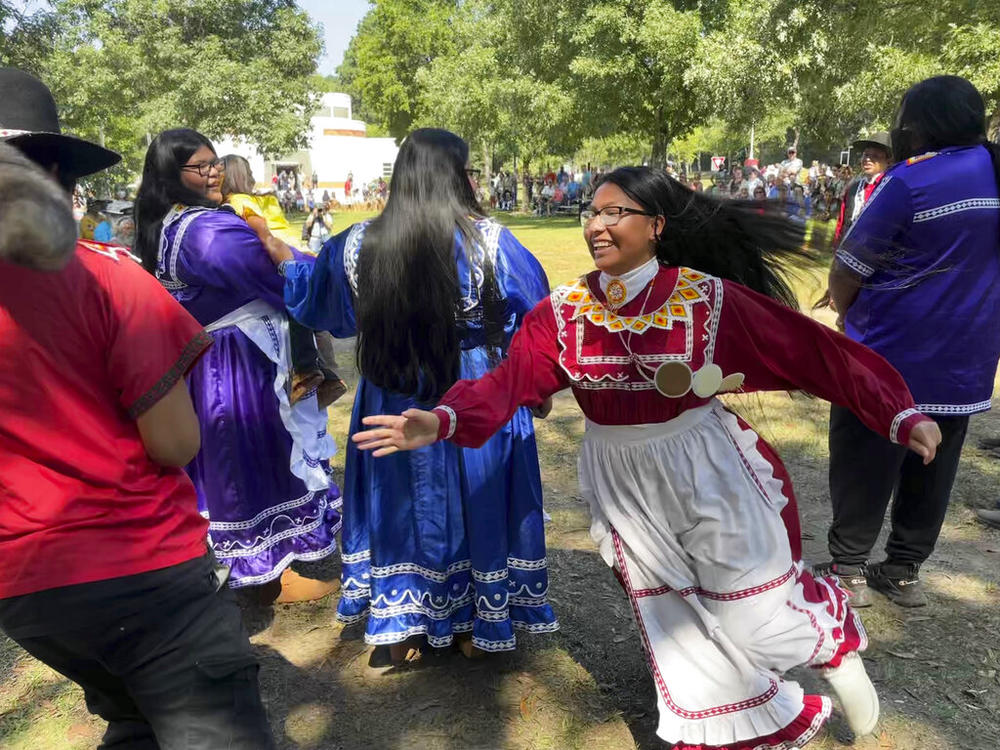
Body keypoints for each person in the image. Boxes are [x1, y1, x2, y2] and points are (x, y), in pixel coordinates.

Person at [353, 165, 943, 748]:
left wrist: (896, 411)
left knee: (752, 608)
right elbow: (510, 382)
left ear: (657, 225)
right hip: (619, 476)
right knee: (673, 618)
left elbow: (811, 349)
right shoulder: (563, 312)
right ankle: (724, 726)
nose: (597, 226)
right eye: (593, 213)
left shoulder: (706, 298)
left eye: (616, 213)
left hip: (705, 464)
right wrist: (442, 419)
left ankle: (831, 644)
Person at [0, 70, 275, 748]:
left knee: (136, 721)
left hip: (24, 587)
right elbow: (175, 443)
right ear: (59, 176)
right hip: (137, 565)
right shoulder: (108, 277)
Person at [265, 128, 558, 663]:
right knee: (478, 500)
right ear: (457, 176)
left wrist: (287, 260)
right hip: (473, 391)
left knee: (402, 501)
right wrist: (531, 389)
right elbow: (536, 317)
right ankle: (474, 623)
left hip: (389, 396)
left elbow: (325, 308)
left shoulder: (355, 244)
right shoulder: (489, 241)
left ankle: (408, 620)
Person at [134, 128, 342, 600]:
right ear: (172, 174)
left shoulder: (176, 222)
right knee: (248, 458)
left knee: (234, 459)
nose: (213, 173)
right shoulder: (206, 232)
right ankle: (266, 572)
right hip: (235, 366)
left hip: (218, 359)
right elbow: (271, 270)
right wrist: (315, 263)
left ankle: (256, 565)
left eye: (215, 163)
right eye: (200, 167)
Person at [826, 75, 1000, 608]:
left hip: (891, 350)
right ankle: (903, 568)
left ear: (917, 125)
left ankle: (849, 569)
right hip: (966, 352)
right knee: (935, 460)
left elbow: (849, 266)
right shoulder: (993, 171)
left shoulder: (913, 181)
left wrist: (843, 311)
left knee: (865, 453)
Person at [220, 154, 347, 408]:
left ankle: (307, 369)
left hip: (284, 254)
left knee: (293, 304)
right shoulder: (263, 199)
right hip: (299, 252)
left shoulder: (238, 203)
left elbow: (266, 236)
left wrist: (287, 267)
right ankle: (329, 375)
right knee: (308, 311)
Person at [832, 132, 892, 248]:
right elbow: (842, 221)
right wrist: (837, 247)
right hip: (847, 250)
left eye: (875, 156)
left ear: (888, 161)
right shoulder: (854, 188)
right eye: (865, 155)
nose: (867, 159)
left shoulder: (890, 190)